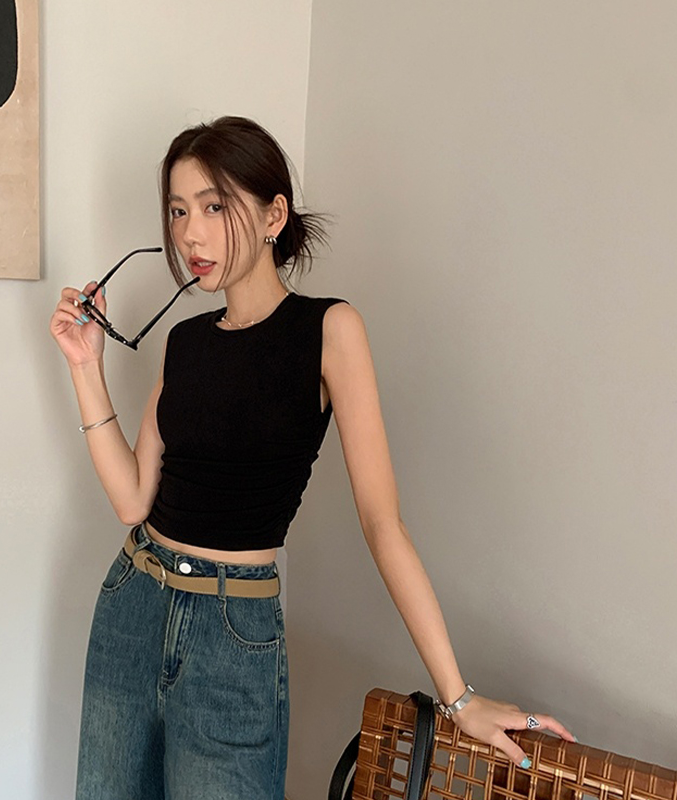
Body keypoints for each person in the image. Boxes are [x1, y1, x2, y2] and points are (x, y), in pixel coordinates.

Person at [49, 116, 576, 800]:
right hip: (133, 604)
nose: (190, 234)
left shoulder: (330, 330)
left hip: (231, 632)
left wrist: (458, 696)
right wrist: (84, 366)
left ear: (274, 216)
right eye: (178, 211)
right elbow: (132, 500)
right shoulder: (185, 341)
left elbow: (383, 524)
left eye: (214, 207)